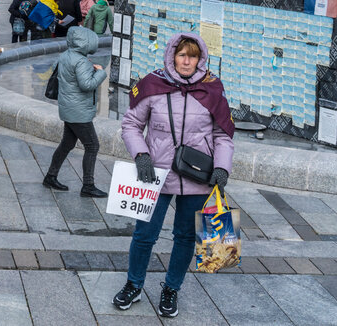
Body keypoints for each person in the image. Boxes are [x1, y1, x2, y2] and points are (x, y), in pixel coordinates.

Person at [113, 33, 234, 319]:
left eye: (193, 56)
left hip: (197, 176)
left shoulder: (213, 89)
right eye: (182, 55)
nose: (187, 61)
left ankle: (171, 288)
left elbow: (224, 135)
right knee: (144, 235)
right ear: (172, 56)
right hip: (155, 174)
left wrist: (222, 167)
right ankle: (134, 284)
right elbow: (131, 124)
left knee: (184, 237)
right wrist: (141, 154)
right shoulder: (152, 85)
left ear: (200, 59)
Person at [42, 26, 108, 197]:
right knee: (92, 145)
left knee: (67, 144)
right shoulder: (81, 61)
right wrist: (100, 73)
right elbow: (87, 85)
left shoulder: (65, 56)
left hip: (68, 108)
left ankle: (50, 176)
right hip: (79, 112)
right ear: (86, 42)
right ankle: (88, 185)